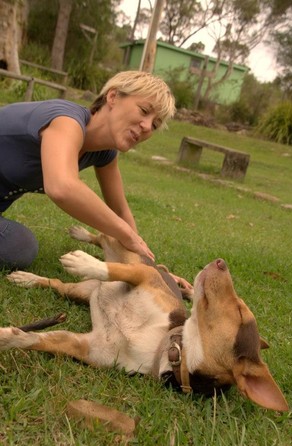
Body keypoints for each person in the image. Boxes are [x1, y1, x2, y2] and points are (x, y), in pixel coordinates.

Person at [0, 70, 191, 289]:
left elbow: (120, 211)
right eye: (144, 110)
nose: (147, 126)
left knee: (19, 245)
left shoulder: (104, 153)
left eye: (155, 124)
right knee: (20, 246)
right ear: (113, 97)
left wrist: (149, 270)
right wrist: (125, 234)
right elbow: (62, 186)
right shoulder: (66, 120)